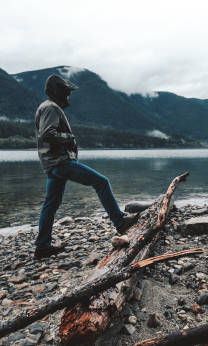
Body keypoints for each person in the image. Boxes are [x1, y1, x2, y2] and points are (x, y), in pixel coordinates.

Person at [33, 74, 138, 259]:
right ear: (59, 92)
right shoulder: (51, 108)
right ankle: (120, 222)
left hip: (52, 164)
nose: (68, 96)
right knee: (101, 182)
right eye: (66, 92)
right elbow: (47, 134)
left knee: (50, 205)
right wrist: (69, 138)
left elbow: (46, 135)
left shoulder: (47, 106)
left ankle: (42, 247)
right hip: (61, 162)